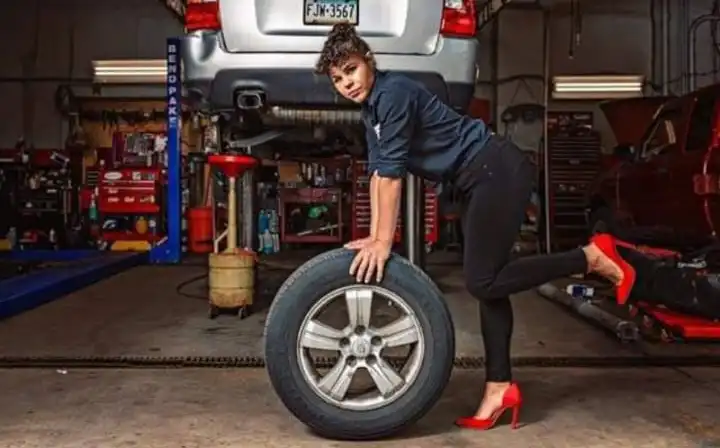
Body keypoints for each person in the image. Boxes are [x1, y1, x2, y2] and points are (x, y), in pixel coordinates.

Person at [315, 23, 636, 430]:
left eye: (351, 70)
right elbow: (380, 174)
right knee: (492, 284)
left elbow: (394, 176)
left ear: (368, 61)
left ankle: (589, 257)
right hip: (472, 181)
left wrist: (383, 241)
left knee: (483, 281)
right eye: (338, 78)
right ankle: (499, 387)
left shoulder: (393, 94)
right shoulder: (372, 110)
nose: (347, 83)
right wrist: (377, 237)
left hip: (495, 169)